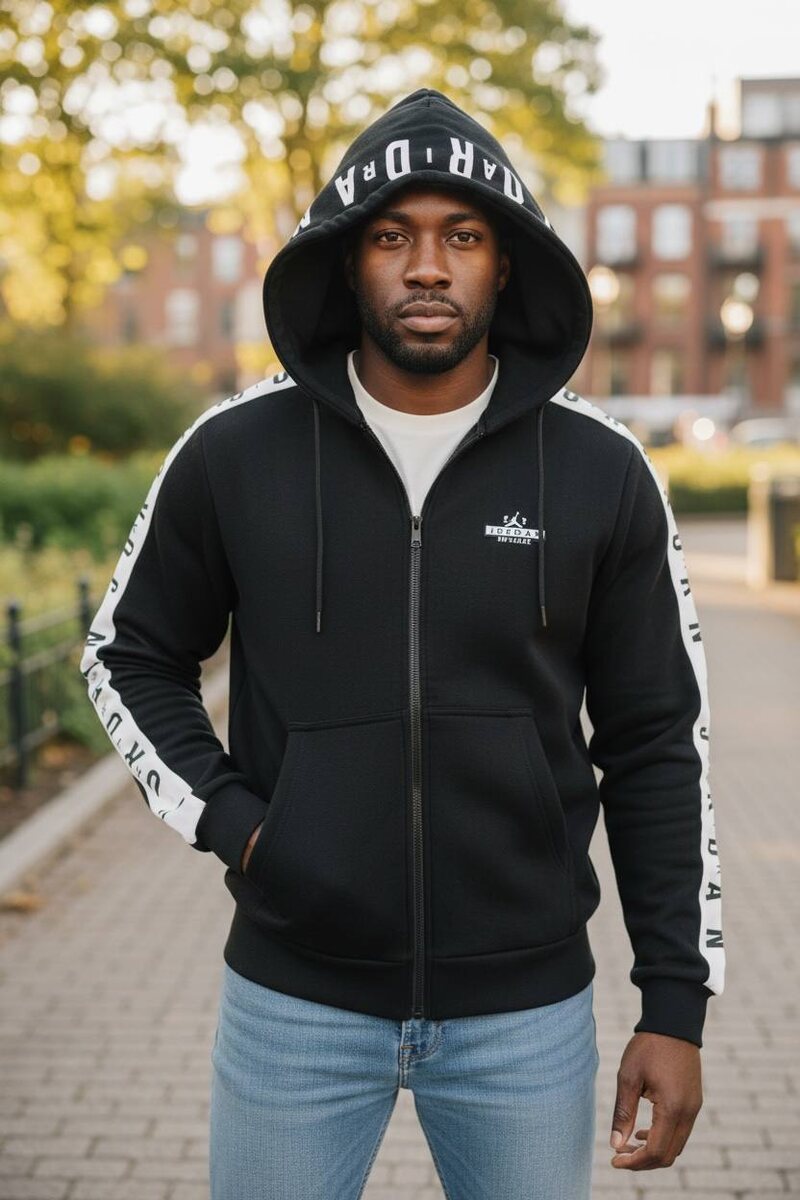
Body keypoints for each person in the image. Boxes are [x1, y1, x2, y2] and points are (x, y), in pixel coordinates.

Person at [80, 87, 725, 1198]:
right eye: (392, 237)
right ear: (347, 262)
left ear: (505, 264)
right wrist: (240, 826)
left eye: (461, 237)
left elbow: (657, 742)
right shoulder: (235, 454)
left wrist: (674, 1003)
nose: (427, 267)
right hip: (294, 1004)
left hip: (526, 1018)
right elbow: (125, 654)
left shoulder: (599, 473)